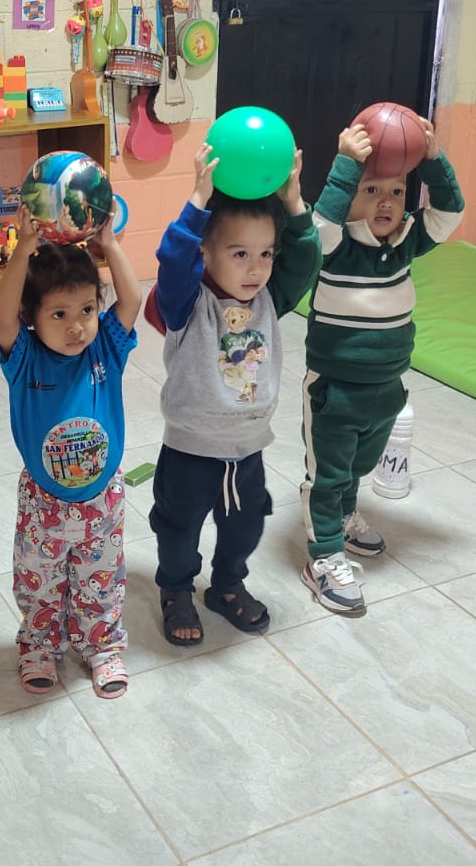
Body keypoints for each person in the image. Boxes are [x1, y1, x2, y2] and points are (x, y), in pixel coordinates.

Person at [145, 146, 319, 645]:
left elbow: (305, 262)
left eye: (265, 254)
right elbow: (172, 262)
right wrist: (197, 202)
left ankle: (226, 585)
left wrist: (294, 203)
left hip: (247, 449)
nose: (255, 268)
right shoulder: (187, 303)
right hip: (191, 450)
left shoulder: (269, 299)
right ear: (205, 252)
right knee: (178, 530)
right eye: (239, 253)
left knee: (245, 529)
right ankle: (176, 590)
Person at [300, 116, 464, 616]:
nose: (386, 202)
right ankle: (323, 556)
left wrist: (433, 160)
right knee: (328, 475)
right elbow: (319, 229)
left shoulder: (408, 239)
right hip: (335, 389)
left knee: (358, 466)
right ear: (350, 197)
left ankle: (345, 516)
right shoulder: (336, 246)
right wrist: (346, 166)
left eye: (396, 191)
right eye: (371, 191)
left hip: (387, 386)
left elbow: (449, 213)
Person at [0, 205, 141, 698]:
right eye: (59, 314)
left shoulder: (106, 350)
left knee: (101, 580)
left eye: (86, 311)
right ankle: (40, 645)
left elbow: (131, 300)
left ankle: (102, 646)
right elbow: (2, 314)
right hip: (44, 504)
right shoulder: (24, 357)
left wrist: (110, 245)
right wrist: (22, 250)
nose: (76, 326)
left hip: (103, 501)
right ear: (31, 318)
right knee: (39, 581)